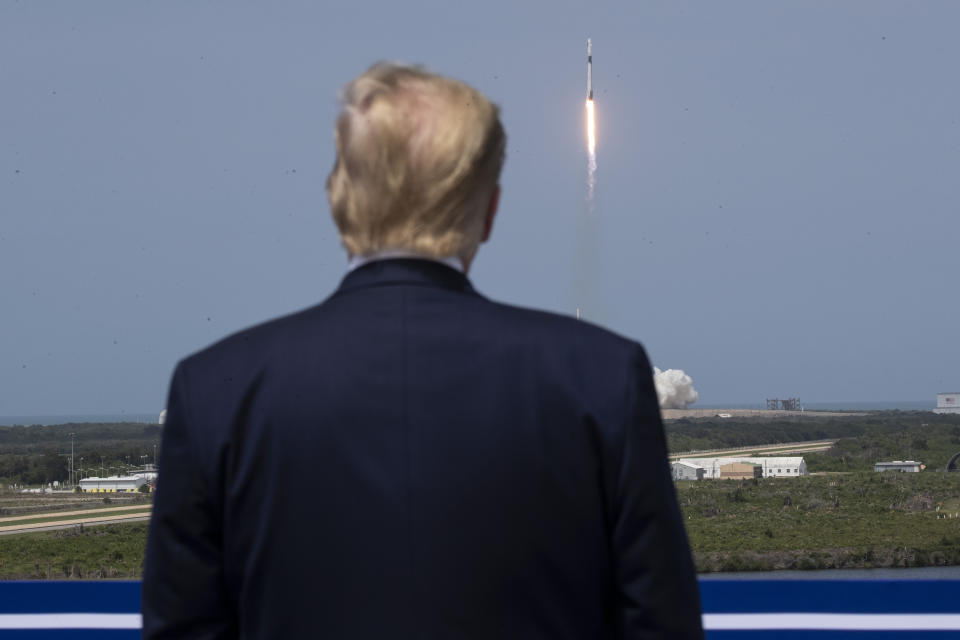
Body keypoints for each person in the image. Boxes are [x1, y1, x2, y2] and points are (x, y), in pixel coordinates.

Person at [142, 62, 703, 639]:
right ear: (488, 212)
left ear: (338, 199)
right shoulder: (601, 379)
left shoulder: (214, 391)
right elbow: (660, 624)